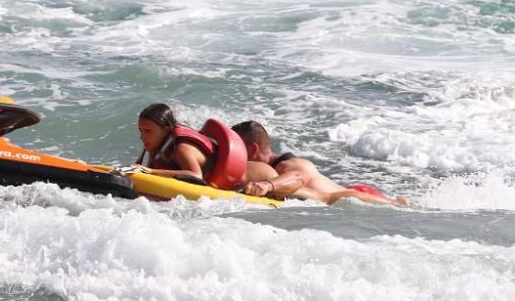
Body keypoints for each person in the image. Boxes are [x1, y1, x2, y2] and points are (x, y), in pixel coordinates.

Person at [230, 120, 408, 206]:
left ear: (253, 149)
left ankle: (397, 201)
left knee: (399, 207)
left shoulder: (289, 165)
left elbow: (297, 178)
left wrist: (267, 185)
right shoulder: (273, 168)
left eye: (238, 149)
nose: (235, 156)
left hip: (357, 196)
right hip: (347, 191)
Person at [130, 103, 269, 190]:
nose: (142, 137)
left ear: (166, 130)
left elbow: (195, 175)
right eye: (141, 131)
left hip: (258, 175)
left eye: (148, 131)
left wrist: (149, 172)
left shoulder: (181, 148)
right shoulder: (158, 146)